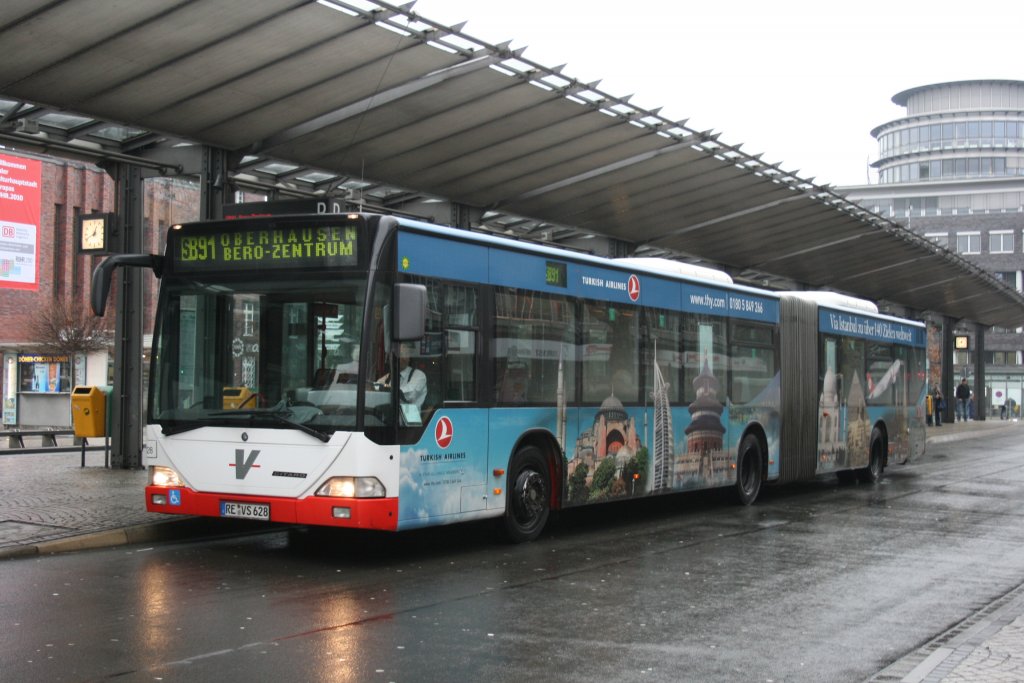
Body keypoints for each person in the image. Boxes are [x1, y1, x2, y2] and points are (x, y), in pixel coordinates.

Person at [379, 343, 427, 409]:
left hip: (410, 419)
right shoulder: (386, 378)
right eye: (397, 354)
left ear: (409, 358)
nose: (400, 358)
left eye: (404, 354)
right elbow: (376, 391)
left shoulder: (419, 375)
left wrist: (384, 392)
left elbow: (409, 395)